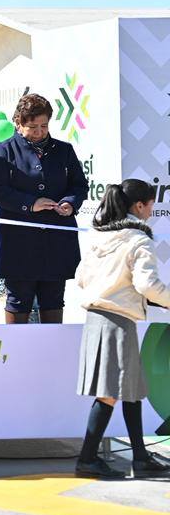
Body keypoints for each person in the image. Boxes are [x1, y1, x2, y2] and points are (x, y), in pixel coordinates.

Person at [73, 179, 170, 479]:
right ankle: (87, 458)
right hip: (118, 320)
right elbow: (147, 284)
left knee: (131, 390)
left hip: (98, 316)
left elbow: (81, 277)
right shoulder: (138, 239)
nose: (152, 211)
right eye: (150, 205)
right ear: (139, 206)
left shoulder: (99, 236)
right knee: (110, 393)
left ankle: (140, 457)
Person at [0, 93, 88, 324]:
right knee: (18, 299)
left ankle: (52, 346)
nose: (39, 132)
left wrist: (70, 203)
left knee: (53, 299)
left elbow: (79, 185)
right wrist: (31, 204)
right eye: (32, 127)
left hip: (56, 240)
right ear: (18, 123)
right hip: (18, 243)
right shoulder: (3, 150)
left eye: (44, 126)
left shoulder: (64, 150)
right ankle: (16, 346)